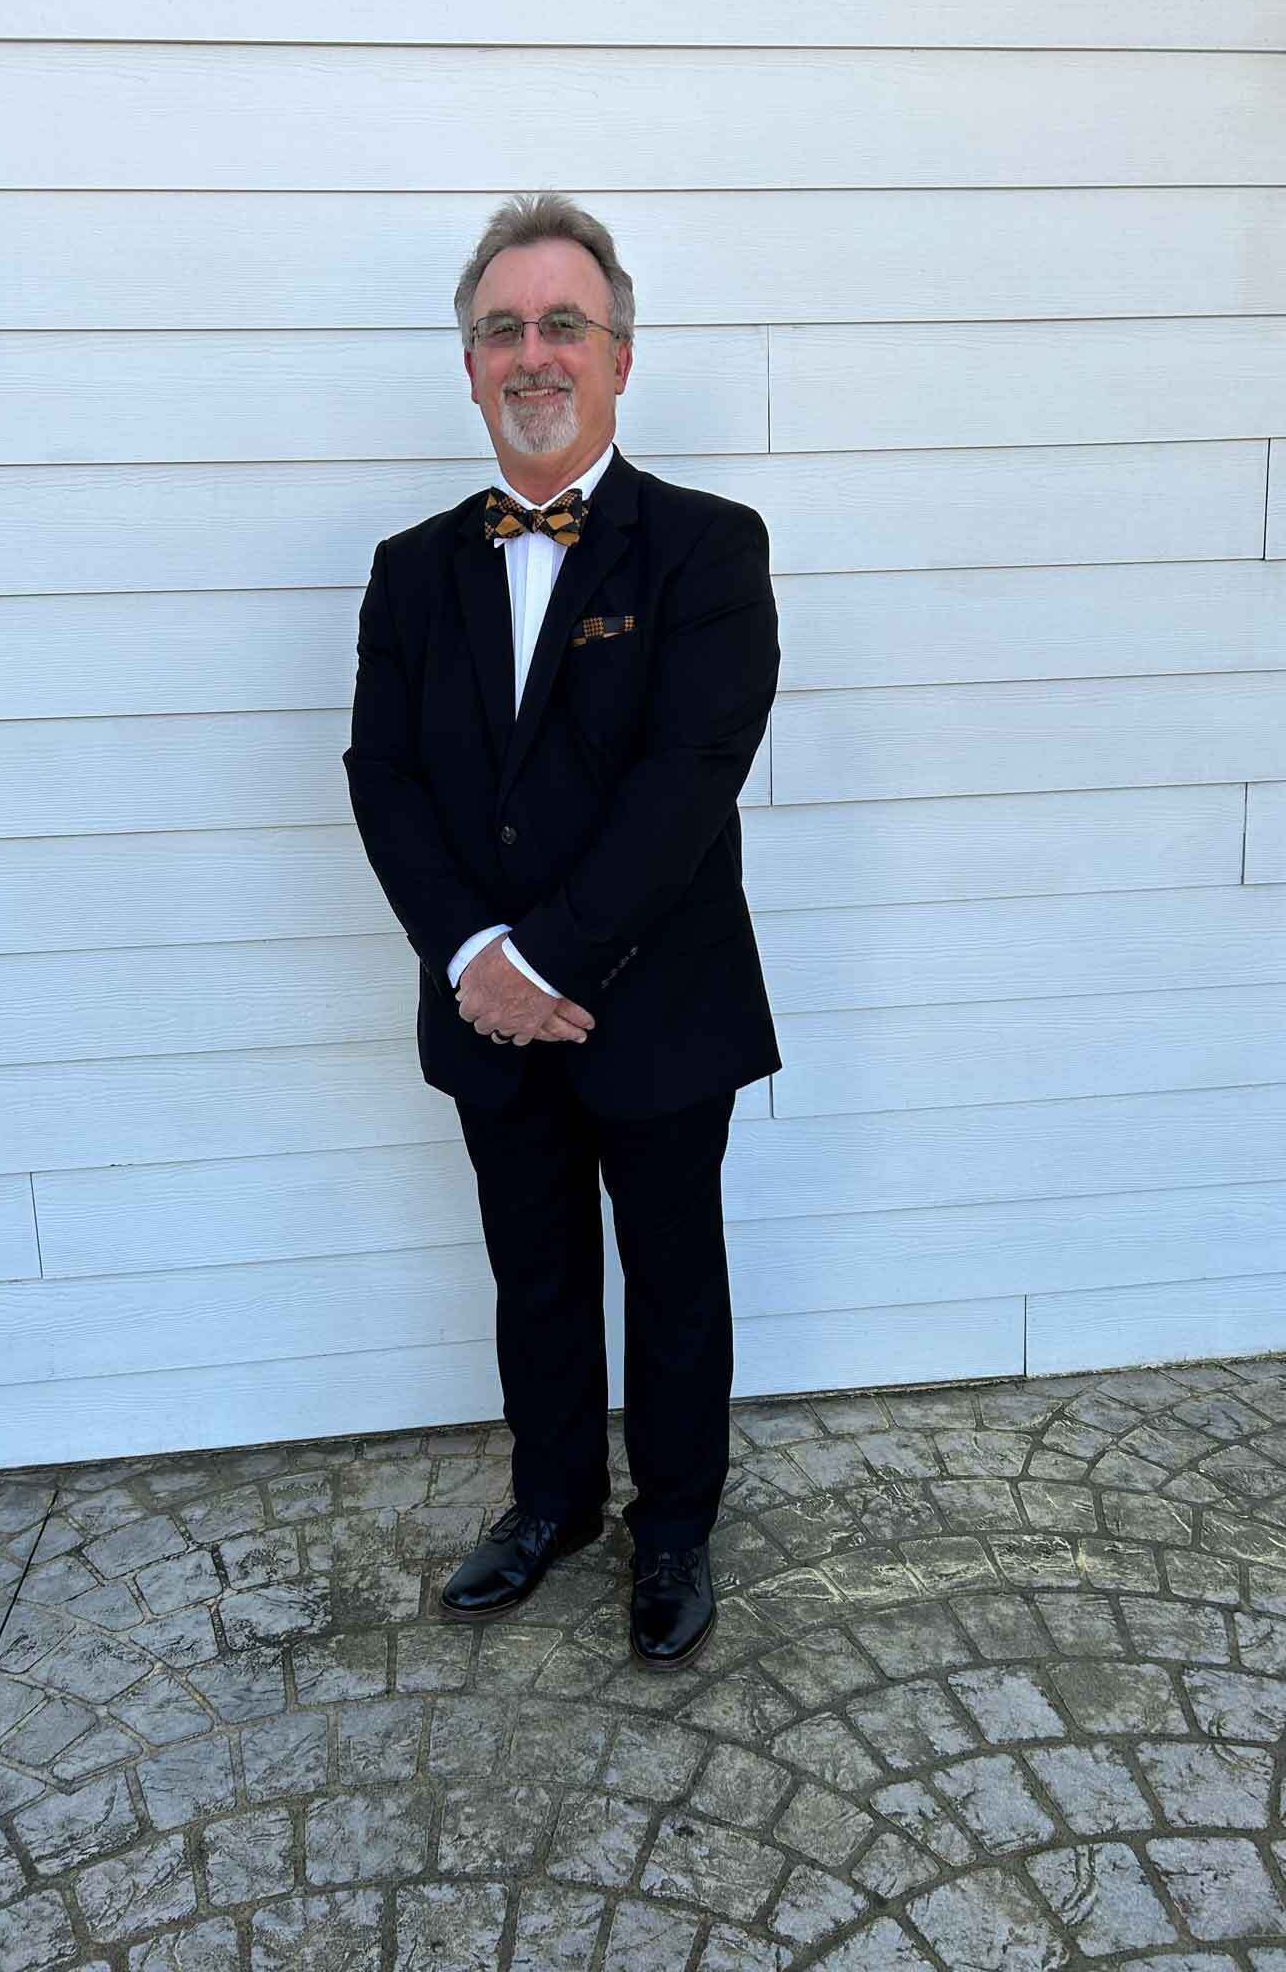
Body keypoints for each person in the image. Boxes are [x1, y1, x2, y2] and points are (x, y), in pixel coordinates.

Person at [343, 191, 781, 1668]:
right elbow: (383, 777)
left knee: (672, 1274)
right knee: (529, 1268)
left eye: (563, 325)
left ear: (620, 356)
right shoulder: (412, 572)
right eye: (503, 329)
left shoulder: (709, 551)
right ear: (469, 365)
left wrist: (546, 964)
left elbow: (687, 779)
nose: (534, 354)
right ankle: (551, 1505)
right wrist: (476, 961)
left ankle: (672, 1533)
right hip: (485, 1009)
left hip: (655, 1002)